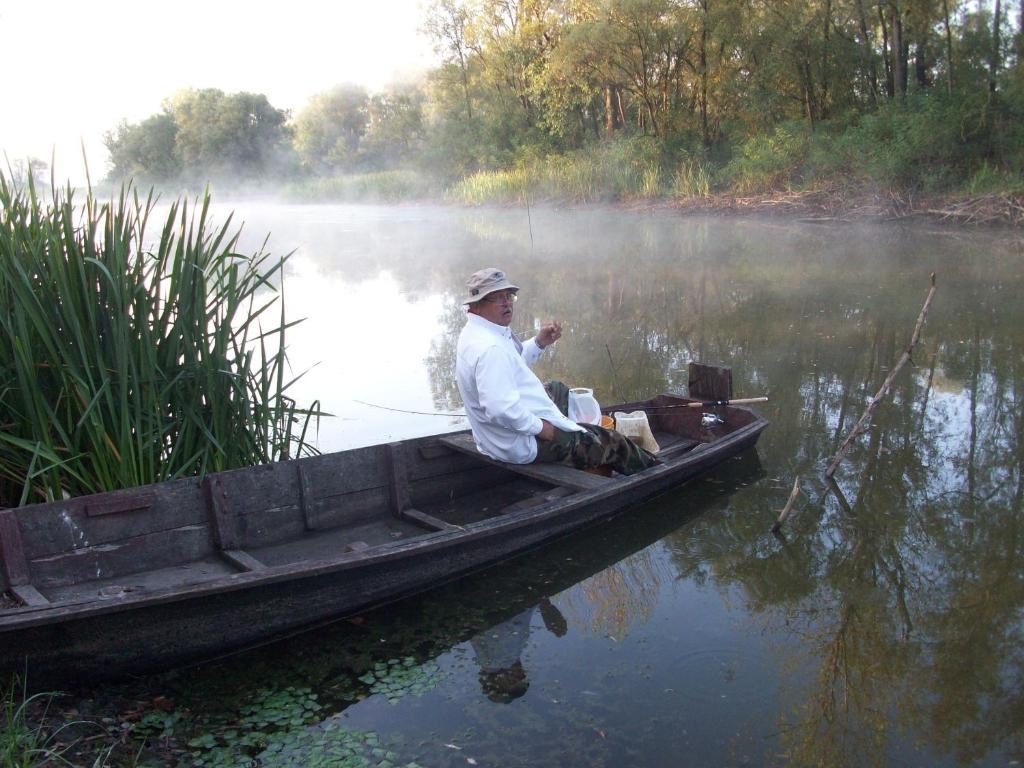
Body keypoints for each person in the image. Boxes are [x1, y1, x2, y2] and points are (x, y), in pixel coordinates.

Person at [455, 267, 658, 475]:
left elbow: (510, 364)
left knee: (556, 389)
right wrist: (547, 431)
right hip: (519, 445)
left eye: (508, 296)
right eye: (497, 298)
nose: (507, 303)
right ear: (476, 305)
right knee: (612, 442)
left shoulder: (477, 332)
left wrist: (539, 343)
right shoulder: (491, 348)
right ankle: (656, 472)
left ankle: (574, 434)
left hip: (494, 439)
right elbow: (500, 409)